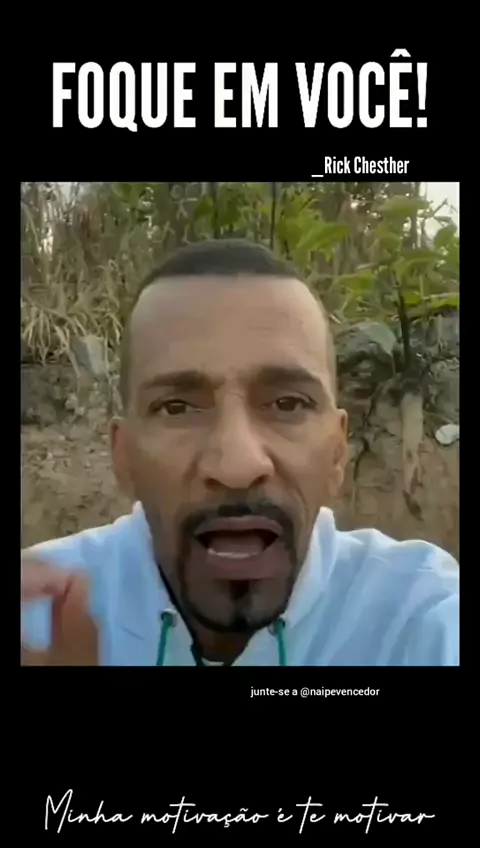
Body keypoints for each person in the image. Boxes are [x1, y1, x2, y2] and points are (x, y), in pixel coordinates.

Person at [21, 239, 459, 667]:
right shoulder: (40, 608)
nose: (237, 466)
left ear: (337, 452)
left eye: (287, 403)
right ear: (124, 456)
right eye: (177, 407)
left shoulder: (420, 621)